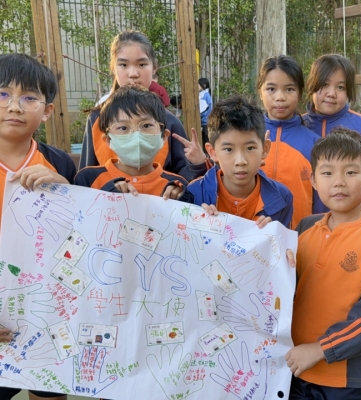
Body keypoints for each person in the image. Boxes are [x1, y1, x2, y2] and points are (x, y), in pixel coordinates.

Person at [286, 128, 361, 399]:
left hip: (348, 378)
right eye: (327, 173)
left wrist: (321, 349)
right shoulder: (305, 227)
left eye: (350, 172)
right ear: (313, 180)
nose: (339, 182)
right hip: (296, 367)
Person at [0, 53, 77, 400]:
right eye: (3, 93)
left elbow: (78, 232)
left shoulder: (59, 163)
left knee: (48, 390)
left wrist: (66, 191)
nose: (14, 106)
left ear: (47, 110)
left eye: (29, 97)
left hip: (44, 308)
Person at [79, 30, 209, 182]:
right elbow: (86, 180)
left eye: (142, 64)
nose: (133, 73)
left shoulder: (170, 122)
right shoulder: (96, 119)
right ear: (113, 68)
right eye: (123, 65)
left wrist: (198, 165)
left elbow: (183, 179)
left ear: (154, 67)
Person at [177, 95, 293, 228]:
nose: (240, 161)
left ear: (265, 149)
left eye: (250, 148)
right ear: (212, 152)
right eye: (228, 149)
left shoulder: (283, 197)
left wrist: (273, 235)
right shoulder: (193, 194)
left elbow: (284, 240)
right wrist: (198, 228)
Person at [74, 85, 189, 200]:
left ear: (163, 136)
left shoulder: (176, 187)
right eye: (123, 128)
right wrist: (106, 196)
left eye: (146, 125)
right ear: (108, 140)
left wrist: (183, 200)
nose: (136, 136)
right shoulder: (87, 180)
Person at [257, 55, 321, 228]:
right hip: (252, 235)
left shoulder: (315, 144)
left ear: (300, 93)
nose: (280, 97)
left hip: (300, 236)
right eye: (271, 89)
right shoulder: (246, 137)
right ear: (260, 92)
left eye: (289, 89)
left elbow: (322, 201)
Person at [303, 54, 361, 172]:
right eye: (325, 85)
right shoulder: (298, 125)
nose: (331, 93)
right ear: (311, 84)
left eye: (340, 87)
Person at [198, 77, 213, 146]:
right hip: (206, 121)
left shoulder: (204, 96)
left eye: (198, 84)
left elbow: (202, 110)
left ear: (204, 85)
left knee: (205, 141)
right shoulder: (206, 94)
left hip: (204, 122)